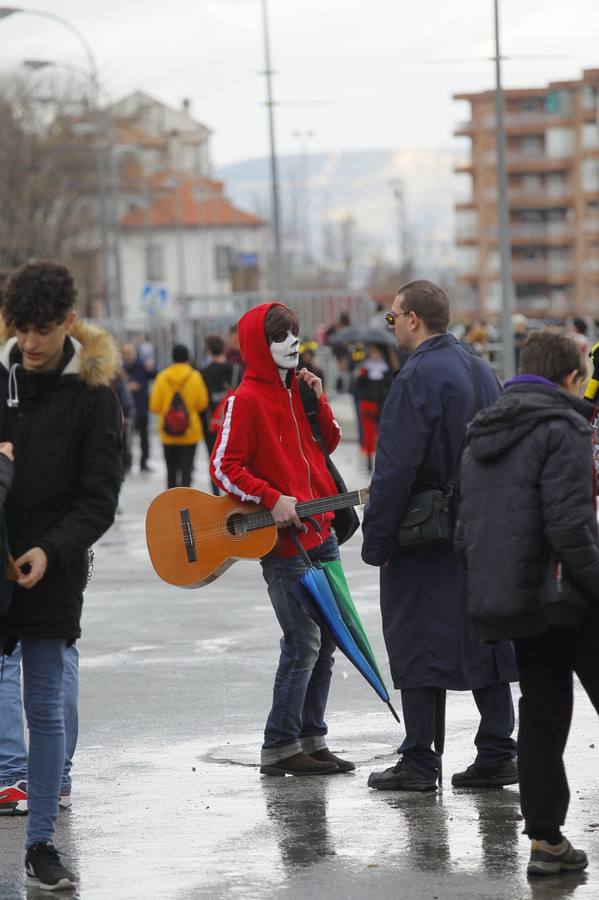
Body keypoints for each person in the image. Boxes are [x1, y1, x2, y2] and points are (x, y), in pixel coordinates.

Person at [362, 279, 518, 792]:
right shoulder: (479, 367)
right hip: (482, 523)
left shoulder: (417, 376)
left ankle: (419, 759)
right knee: (484, 633)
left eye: (393, 317)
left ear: (413, 320)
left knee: (417, 633)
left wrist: (377, 539)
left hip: (425, 531)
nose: (392, 326)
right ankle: (497, 749)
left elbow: (395, 467)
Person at [456, 330, 599, 877]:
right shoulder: (562, 426)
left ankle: (545, 842)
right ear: (568, 378)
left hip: (514, 602)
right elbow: (569, 526)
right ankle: (546, 840)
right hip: (566, 594)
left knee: (540, 715)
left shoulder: (482, 431)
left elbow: (465, 526)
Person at [0, 260, 122, 890]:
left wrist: (50, 551)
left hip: (54, 568)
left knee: (44, 705)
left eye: (44, 328)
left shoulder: (95, 395)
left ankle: (41, 843)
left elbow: (99, 498)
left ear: (69, 322)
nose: (32, 341)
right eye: (22, 328)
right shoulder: (2, 379)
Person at [210, 302, 354, 776]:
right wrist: (271, 498)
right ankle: (280, 746)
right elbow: (223, 468)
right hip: (282, 542)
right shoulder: (244, 400)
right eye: (281, 336)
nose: (294, 343)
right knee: (302, 641)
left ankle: (311, 738)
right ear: (258, 345)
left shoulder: (300, 391)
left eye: (295, 334)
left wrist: (319, 400)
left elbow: (326, 444)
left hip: (322, 531)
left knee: (329, 638)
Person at [149, 344, 209, 489]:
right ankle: (186, 504)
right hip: (190, 431)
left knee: (171, 471)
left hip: (167, 432)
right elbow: (202, 404)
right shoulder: (195, 376)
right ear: (187, 358)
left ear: (172, 357)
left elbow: (154, 406)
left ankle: (171, 504)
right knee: (186, 470)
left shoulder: (162, 376)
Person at [200, 335, 238, 496]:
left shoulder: (204, 372)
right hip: (234, 420)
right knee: (235, 459)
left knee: (213, 459)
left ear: (209, 351)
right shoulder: (235, 369)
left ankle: (215, 494)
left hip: (211, 422)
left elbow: (201, 399)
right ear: (224, 349)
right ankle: (233, 492)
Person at [354, 343, 393, 471]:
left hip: (382, 404)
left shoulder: (386, 368)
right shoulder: (365, 369)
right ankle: (369, 459)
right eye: (372, 352)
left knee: (383, 433)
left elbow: (390, 386)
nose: (375, 354)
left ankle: (383, 459)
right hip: (369, 404)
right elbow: (359, 386)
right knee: (369, 433)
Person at [121, 341, 155, 472]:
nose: (128, 356)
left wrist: (151, 368)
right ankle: (127, 463)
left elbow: (155, 374)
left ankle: (144, 463)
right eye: (126, 353)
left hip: (142, 407)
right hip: (127, 410)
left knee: (144, 438)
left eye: (130, 352)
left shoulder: (142, 365)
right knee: (126, 439)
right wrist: (128, 387)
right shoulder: (122, 368)